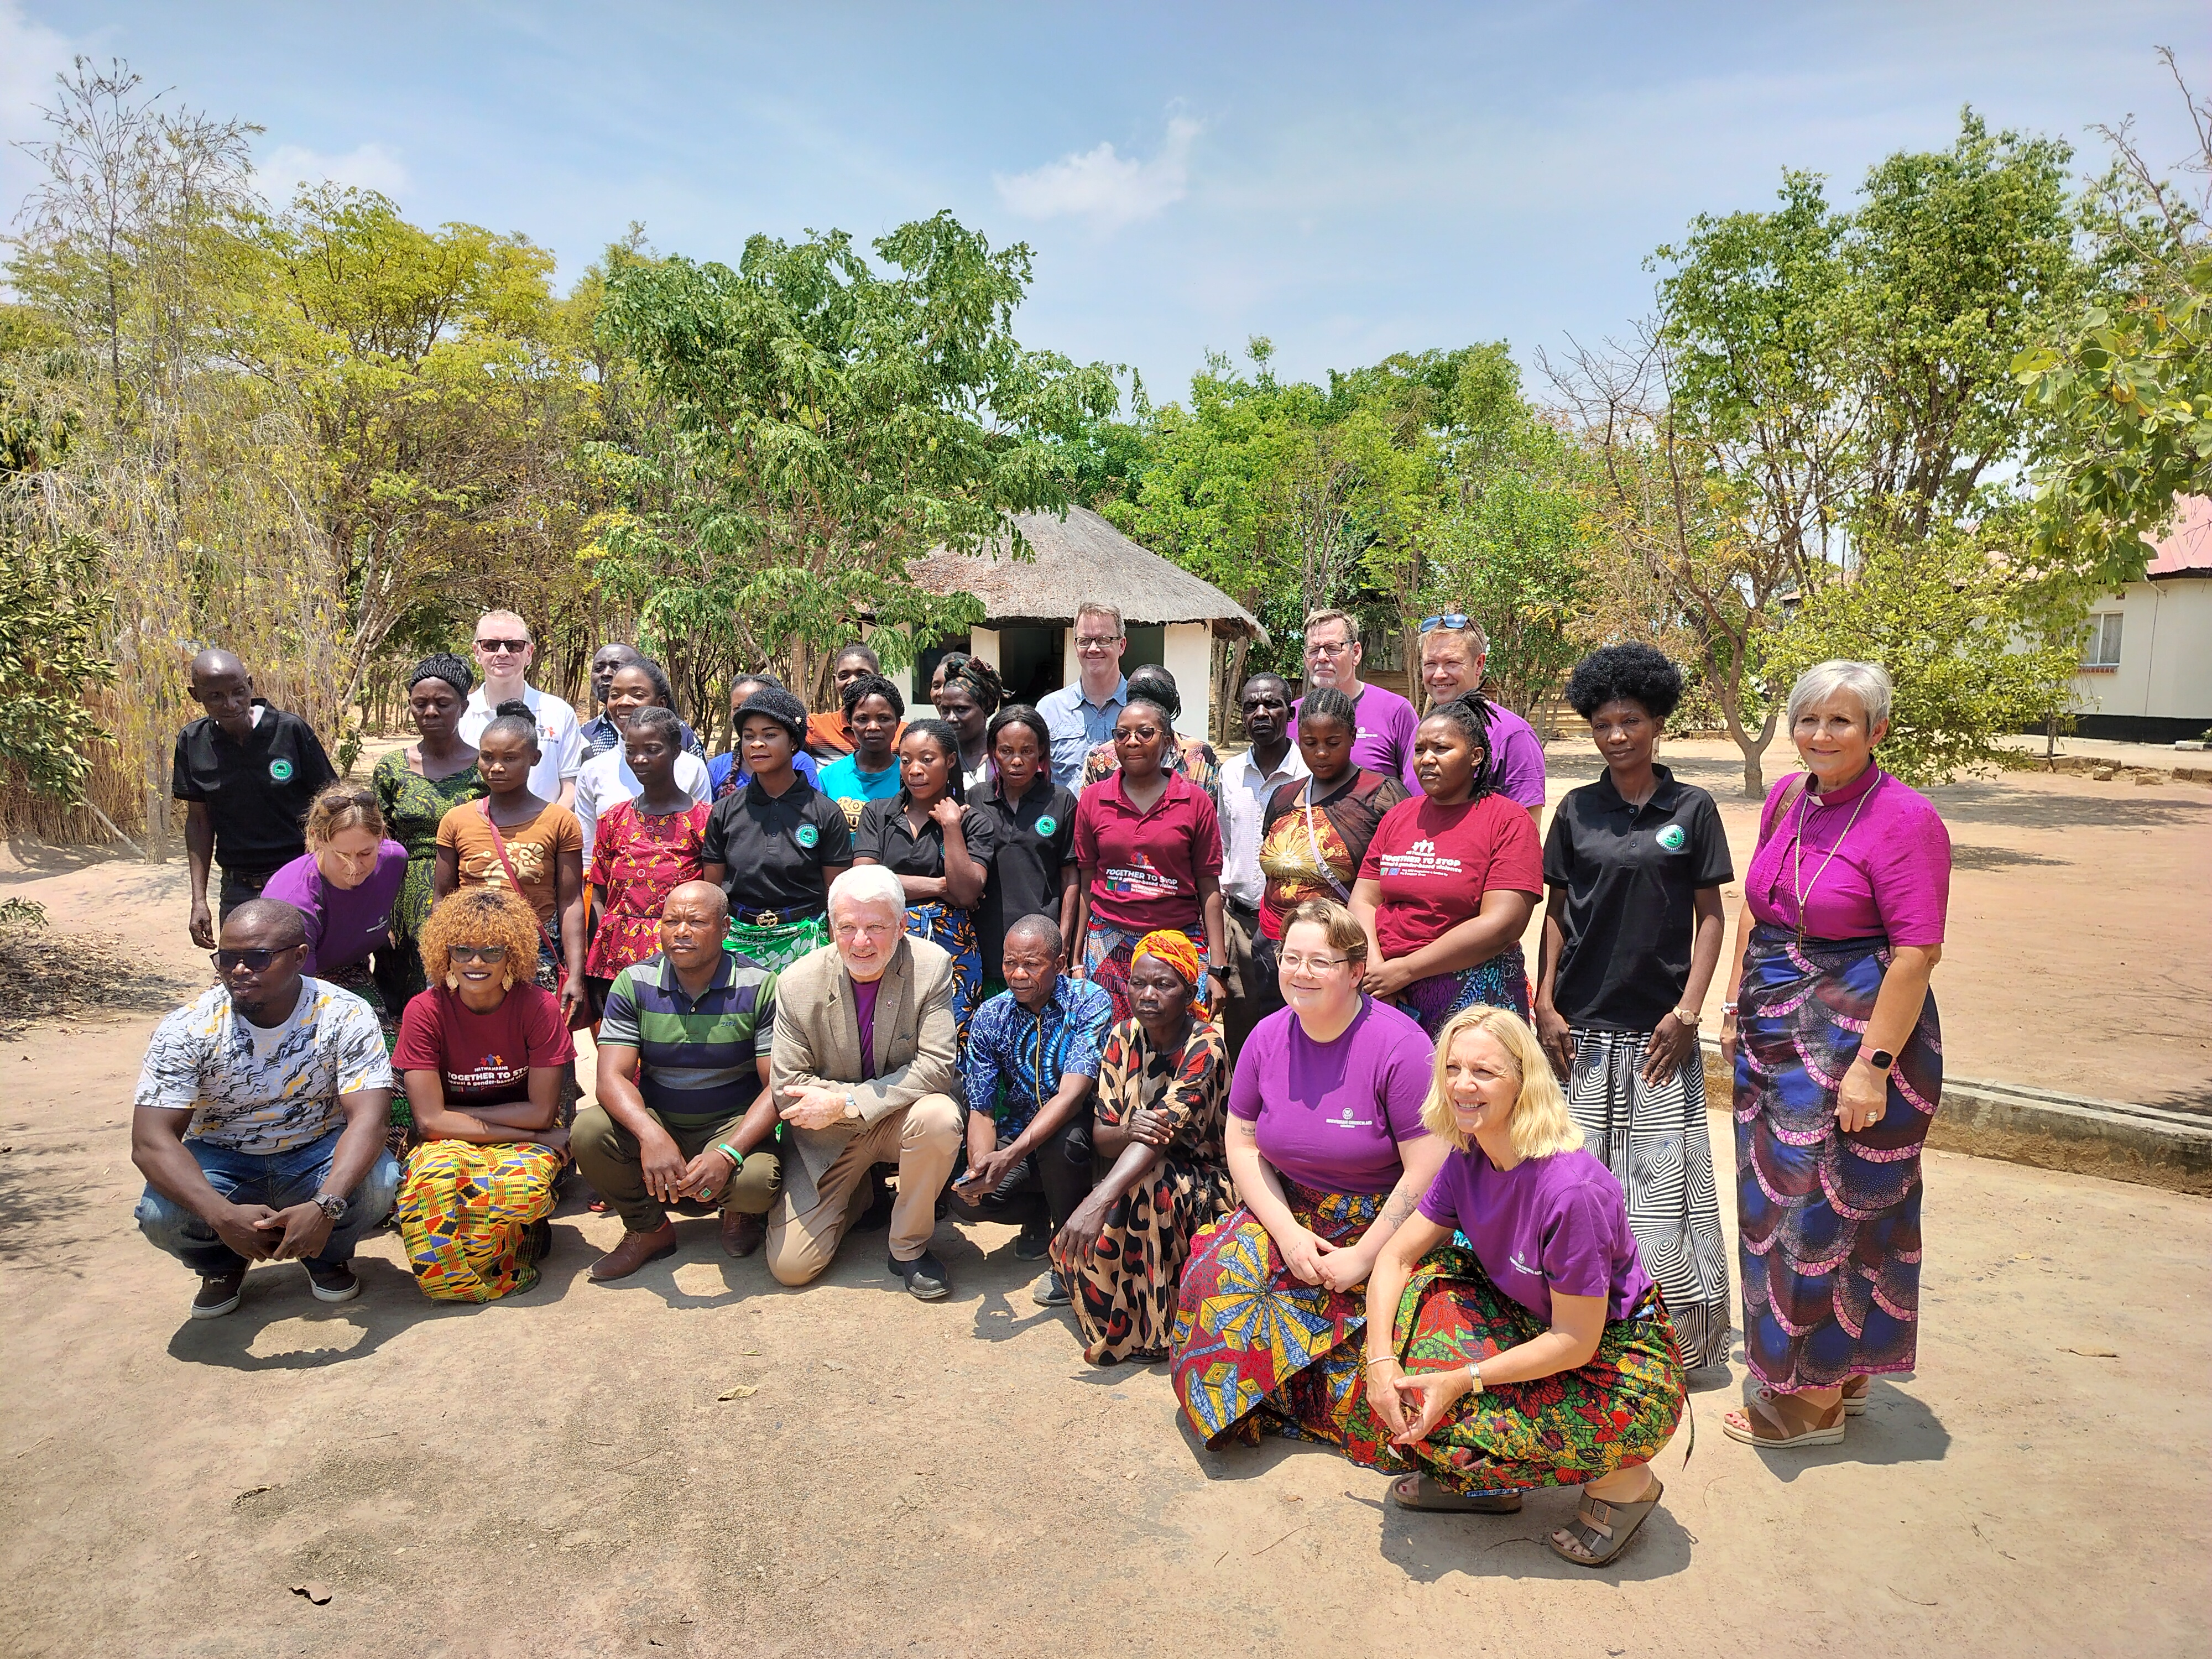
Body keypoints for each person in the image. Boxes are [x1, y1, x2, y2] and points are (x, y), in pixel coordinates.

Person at [1355, 1005, 1688, 1568]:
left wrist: (1461, 1380)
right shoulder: (1469, 1155)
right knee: (1422, 1300)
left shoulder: (1571, 1192)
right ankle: (1486, 1481)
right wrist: (1380, 1364)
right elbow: (1395, 1256)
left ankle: (1624, 1484)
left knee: (1447, 1418)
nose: (1462, 1085)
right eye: (1452, 1068)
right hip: (1536, 1326)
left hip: (1621, 1369)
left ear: (1523, 1082)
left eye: (1484, 1072)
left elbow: (1576, 1342)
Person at [1720, 660, 1950, 1449]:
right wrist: (1734, 1003)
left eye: (1841, 720)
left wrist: (1871, 1069)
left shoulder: (1905, 818)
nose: (1820, 735)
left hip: (1855, 1039)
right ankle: (1836, 1376)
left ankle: (1808, 1405)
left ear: (1877, 730)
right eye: (1808, 719)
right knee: (1776, 1204)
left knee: (1826, 1214)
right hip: (1774, 1033)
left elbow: (1917, 954)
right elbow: (1755, 908)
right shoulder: (1789, 797)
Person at [1171, 899, 1447, 1444]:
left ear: (1355, 971)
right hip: (1292, 1208)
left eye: (1320, 962)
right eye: (1290, 957)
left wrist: (1366, 1256)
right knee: (1216, 1270)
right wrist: (1286, 1233)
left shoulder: (1401, 1047)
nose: (1300, 972)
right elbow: (1242, 1143)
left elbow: (1428, 1170)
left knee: (1409, 1357)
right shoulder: (1265, 1037)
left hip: (1383, 1223)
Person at [1534, 644, 1734, 1369]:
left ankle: (1663, 1349)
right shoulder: (1576, 810)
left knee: (1660, 1198)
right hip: (1578, 1033)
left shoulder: (1693, 809)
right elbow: (1557, 914)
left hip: (1658, 1036)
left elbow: (1710, 917)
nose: (1617, 736)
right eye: (1603, 725)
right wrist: (1544, 1002)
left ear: (1657, 724)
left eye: (1631, 722)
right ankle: (1569, 1338)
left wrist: (1687, 1013)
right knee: (1574, 1189)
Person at [131, 899, 399, 1318]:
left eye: (257, 958)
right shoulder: (188, 1027)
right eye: (227, 959)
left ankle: (325, 1254)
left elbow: (371, 1119)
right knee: (159, 1215)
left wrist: (325, 1204)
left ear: (299, 957)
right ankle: (220, 1265)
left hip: (316, 1149)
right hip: (221, 1157)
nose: (239, 970)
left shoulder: (345, 1014)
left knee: (380, 1182)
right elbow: (150, 1141)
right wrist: (221, 1216)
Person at [765, 866, 963, 1298]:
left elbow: (936, 1067)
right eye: (847, 927)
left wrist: (845, 1103)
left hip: (898, 1120)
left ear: (902, 925)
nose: (861, 942)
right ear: (831, 927)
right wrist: (838, 1111)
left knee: (940, 1116)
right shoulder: (797, 983)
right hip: (826, 1134)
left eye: (876, 927)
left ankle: (908, 1248)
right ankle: (859, 1196)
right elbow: (787, 1088)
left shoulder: (931, 966)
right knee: (791, 1268)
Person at [573, 882, 785, 1279]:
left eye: (696, 922)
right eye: (671, 921)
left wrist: (728, 1153)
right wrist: (650, 1135)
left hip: (730, 1124)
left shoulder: (760, 985)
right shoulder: (635, 982)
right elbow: (611, 1077)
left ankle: (738, 1213)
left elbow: (776, 1087)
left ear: (725, 928)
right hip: (662, 1118)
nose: (682, 931)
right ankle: (648, 1230)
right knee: (588, 1130)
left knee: (757, 1182)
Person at [1054, 930, 1234, 1364]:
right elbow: (1103, 1137)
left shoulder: (1206, 1046)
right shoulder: (1122, 1037)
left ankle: (1154, 1329)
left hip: (1207, 1185)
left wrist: (1097, 1199)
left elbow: (1161, 1137)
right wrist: (1131, 1129)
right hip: (1134, 1175)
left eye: (1164, 984)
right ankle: (1133, 1316)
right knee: (1143, 1179)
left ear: (1189, 993)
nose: (1148, 995)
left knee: (1152, 1178)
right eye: (1138, 983)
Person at [392, 888, 573, 1301]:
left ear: (513, 956)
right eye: (463, 950)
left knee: (522, 1189)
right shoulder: (424, 1010)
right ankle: (466, 1277)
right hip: (459, 1139)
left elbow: (542, 1112)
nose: (476, 963)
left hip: (495, 1133)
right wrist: (534, 1135)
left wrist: (450, 1114)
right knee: (433, 1182)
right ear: (446, 954)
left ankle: (509, 1244)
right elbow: (429, 1124)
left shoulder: (538, 1006)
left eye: (492, 952)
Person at [1350, 694, 1542, 1037]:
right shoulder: (1399, 816)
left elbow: (1503, 924)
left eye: (1441, 748)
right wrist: (1378, 972)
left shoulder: (1508, 820)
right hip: (1386, 990)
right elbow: (1363, 900)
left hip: (1474, 1001)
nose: (1427, 759)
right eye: (1419, 750)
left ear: (1476, 757)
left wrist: (1406, 970)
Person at [951, 915, 1111, 1295]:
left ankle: (1067, 1255)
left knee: (1062, 1144)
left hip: (1079, 1134)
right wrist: (982, 1168)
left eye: (1031, 964)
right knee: (968, 1202)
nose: (1018, 974)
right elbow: (982, 1107)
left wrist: (1010, 1157)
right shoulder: (991, 1016)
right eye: (1010, 963)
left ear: (1059, 964)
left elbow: (1071, 1095)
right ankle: (1040, 1213)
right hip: (1019, 1131)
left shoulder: (1088, 1001)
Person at [1254, 687, 1412, 1040]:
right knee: (1282, 1042)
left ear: (1353, 737)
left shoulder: (1383, 795)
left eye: (1333, 742)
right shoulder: (1283, 796)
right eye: (1310, 743)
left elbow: (1401, 885)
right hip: (1275, 951)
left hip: (1340, 959)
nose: (1321, 753)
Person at [1070, 692, 1226, 1024]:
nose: (1132, 742)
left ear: (1167, 741)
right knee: (1112, 1042)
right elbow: (1085, 882)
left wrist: (1217, 966)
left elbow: (1209, 886)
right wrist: (1076, 958)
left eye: (1145, 733)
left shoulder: (1195, 802)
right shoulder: (1093, 800)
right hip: (1108, 943)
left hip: (1177, 941)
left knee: (1178, 1041)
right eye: (1122, 734)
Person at [432, 699, 587, 1024]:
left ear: (535, 758)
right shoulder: (457, 820)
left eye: (510, 758)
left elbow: (570, 901)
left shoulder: (559, 821)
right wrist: (439, 965)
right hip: (470, 956)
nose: (497, 767)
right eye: (488, 757)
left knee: (540, 1040)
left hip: (536, 957)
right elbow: (443, 899)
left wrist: (575, 973)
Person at [173, 648, 337, 948]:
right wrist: (199, 900)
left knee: (304, 964)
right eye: (216, 696)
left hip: (298, 878)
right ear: (196, 696)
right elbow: (198, 822)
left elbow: (330, 804)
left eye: (238, 692)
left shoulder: (290, 731)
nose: (231, 704)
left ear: (250, 684)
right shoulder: (192, 742)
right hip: (238, 888)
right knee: (243, 969)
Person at [853, 718, 995, 1046]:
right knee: (884, 1039)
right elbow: (865, 880)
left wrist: (951, 826)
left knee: (949, 1040)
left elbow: (967, 892)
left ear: (950, 760)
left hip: (951, 947)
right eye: (906, 761)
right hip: (886, 940)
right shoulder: (878, 814)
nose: (915, 770)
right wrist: (941, 887)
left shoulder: (972, 822)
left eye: (927, 760)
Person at [701, 686, 854, 972]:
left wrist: (837, 964)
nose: (757, 744)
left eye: (769, 735)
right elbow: (713, 894)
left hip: (806, 946)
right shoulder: (724, 811)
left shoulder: (825, 813)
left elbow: (837, 898)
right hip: (736, 947)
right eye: (749, 736)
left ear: (794, 742)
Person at [372, 654, 484, 999]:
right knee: (406, 995)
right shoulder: (391, 768)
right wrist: (378, 913)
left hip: (467, 891)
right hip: (401, 896)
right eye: (420, 704)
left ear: (463, 707)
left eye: (442, 703)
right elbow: (377, 846)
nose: (430, 712)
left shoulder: (485, 768)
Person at [585, 708, 713, 1008]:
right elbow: (599, 894)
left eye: (652, 750)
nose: (639, 759)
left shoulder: (704, 821)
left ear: (676, 751)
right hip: (617, 960)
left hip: (681, 957)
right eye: (631, 750)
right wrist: (599, 964)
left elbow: (713, 896)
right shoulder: (613, 820)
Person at [260, 783, 409, 1037]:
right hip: (281, 984)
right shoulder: (296, 903)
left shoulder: (394, 862)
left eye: (365, 853)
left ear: (382, 837)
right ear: (318, 839)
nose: (354, 867)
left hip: (350, 969)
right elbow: (298, 996)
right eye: (342, 855)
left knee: (387, 1055)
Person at [1218, 672, 1308, 1058]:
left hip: (1295, 925)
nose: (1261, 713)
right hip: (1240, 923)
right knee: (1241, 1026)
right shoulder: (1230, 773)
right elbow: (1225, 842)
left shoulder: (1310, 772)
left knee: (1295, 1025)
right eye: (1251, 706)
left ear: (1290, 713)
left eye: (1272, 704)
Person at [972, 705, 1079, 1001]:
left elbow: (1071, 877)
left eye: (1027, 751)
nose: (1017, 761)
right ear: (994, 752)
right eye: (1006, 751)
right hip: (986, 943)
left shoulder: (1061, 801)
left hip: (1040, 950)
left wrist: (1063, 941)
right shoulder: (976, 799)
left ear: (1041, 751)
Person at [573, 658, 711, 863]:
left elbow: (705, 846)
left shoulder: (692, 767)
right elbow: (587, 854)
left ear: (661, 703)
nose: (623, 702)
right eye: (615, 695)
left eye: (637, 695)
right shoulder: (592, 770)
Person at [1415, 613, 1548, 822]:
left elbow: (1526, 831)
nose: (1439, 674)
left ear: (1479, 664)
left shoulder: (1513, 735)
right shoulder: (1420, 733)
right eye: (1430, 664)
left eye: (1451, 663)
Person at [456, 609, 584, 808]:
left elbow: (571, 787)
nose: (502, 653)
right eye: (491, 645)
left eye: (514, 645)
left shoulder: (559, 712)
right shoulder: (460, 714)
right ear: (477, 652)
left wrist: (547, 825)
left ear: (529, 653)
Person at [1286, 609, 1421, 790]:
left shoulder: (1395, 711)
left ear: (1356, 653)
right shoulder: (1291, 717)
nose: (1322, 657)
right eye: (1314, 650)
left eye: (1333, 648)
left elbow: (1416, 789)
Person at [1039, 601, 1129, 788]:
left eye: (1104, 639)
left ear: (1121, 646)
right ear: (1076, 647)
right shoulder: (1050, 709)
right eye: (1085, 641)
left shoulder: (1144, 708)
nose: (1093, 648)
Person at [580, 643, 706, 761]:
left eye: (617, 667)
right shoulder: (583, 736)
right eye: (599, 668)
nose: (606, 674)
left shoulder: (682, 736)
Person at [816, 673, 906, 830]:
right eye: (862, 719)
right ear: (850, 723)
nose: (873, 727)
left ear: (898, 723)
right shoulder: (829, 777)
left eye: (884, 719)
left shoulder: (909, 778)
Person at [708, 672, 820, 799]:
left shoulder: (801, 763)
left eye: (755, 705)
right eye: (737, 708)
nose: (746, 713)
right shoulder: (718, 767)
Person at [805, 642, 905, 760]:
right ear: (835, 681)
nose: (852, 681)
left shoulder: (904, 735)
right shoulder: (815, 728)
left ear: (879, 678)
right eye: (844, 676)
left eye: (862, 675)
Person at [933, 652, 1004, 792]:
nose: (951, 718)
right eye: (945, 710)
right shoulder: (937, 759)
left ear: (985, 711)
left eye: (961, 709)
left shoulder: (1003, 760)